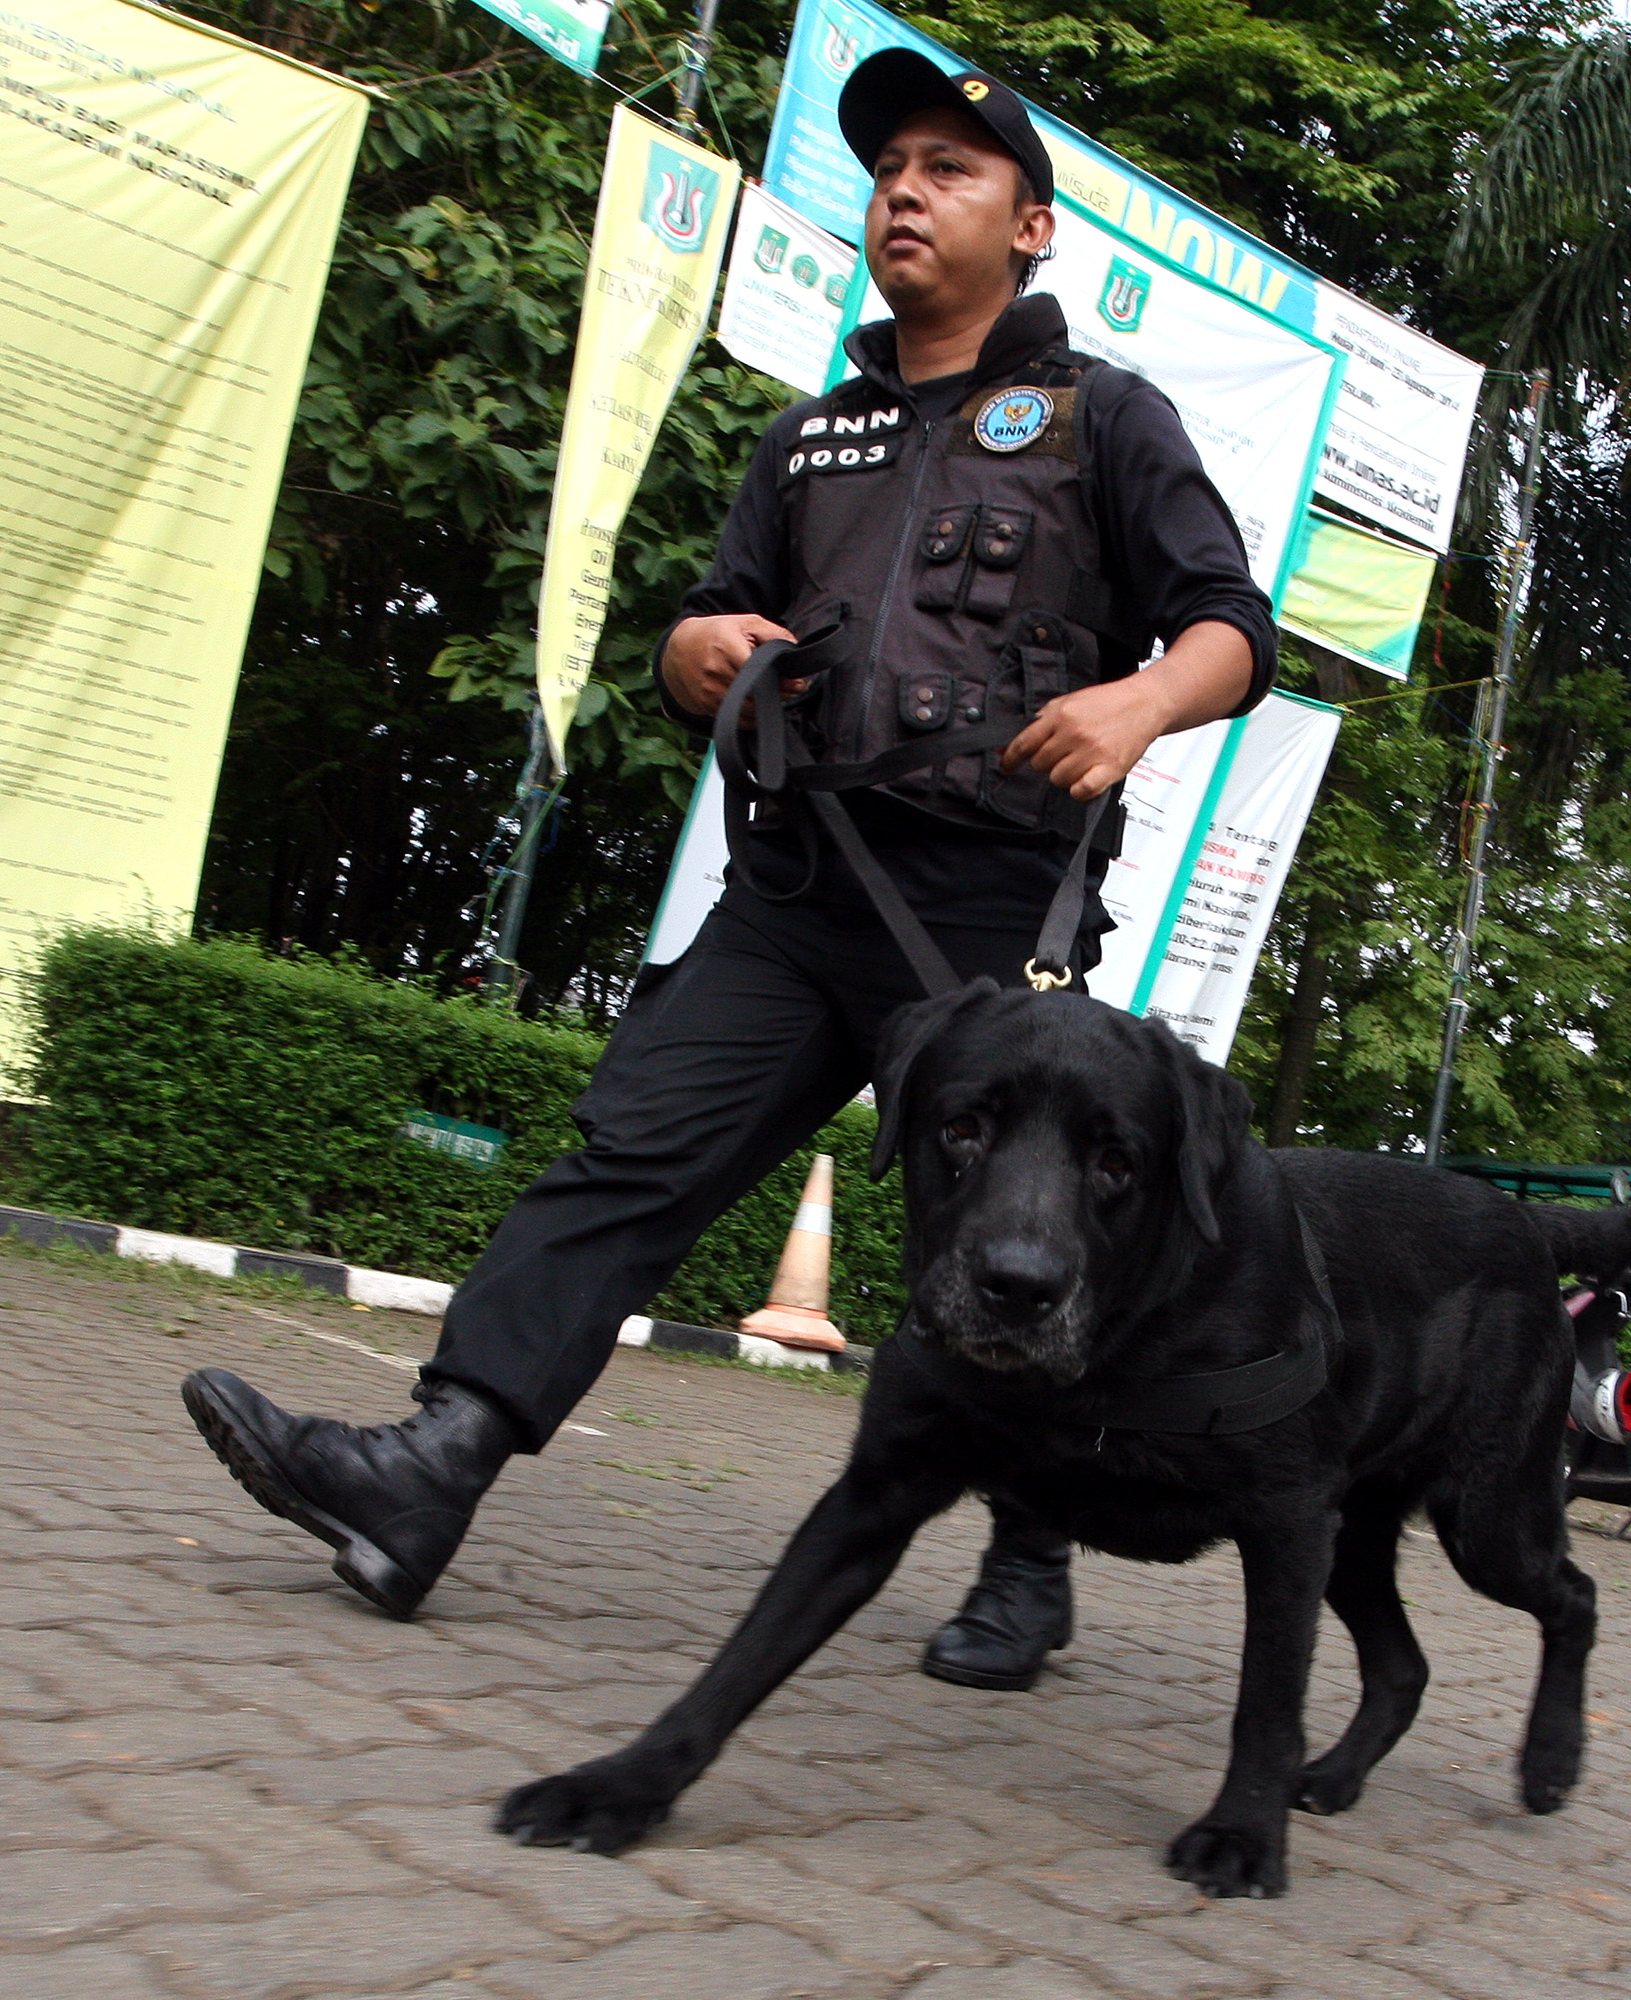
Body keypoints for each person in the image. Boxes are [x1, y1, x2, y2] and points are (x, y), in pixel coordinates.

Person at [181, 49, 1277, 1691]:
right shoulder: (811, 433)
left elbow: (1230, 630)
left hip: (984, 907)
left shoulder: (1108, 419)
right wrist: (699, 649)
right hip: (801, 883)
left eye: (950, 170)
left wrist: (1138, 700)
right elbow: (713, 619)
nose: (904, 191)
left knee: (1014, 1228)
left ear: (1032, 227)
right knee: (630, 1154)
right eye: (890, 166)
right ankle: (431, 1473)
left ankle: (1030, 1564)